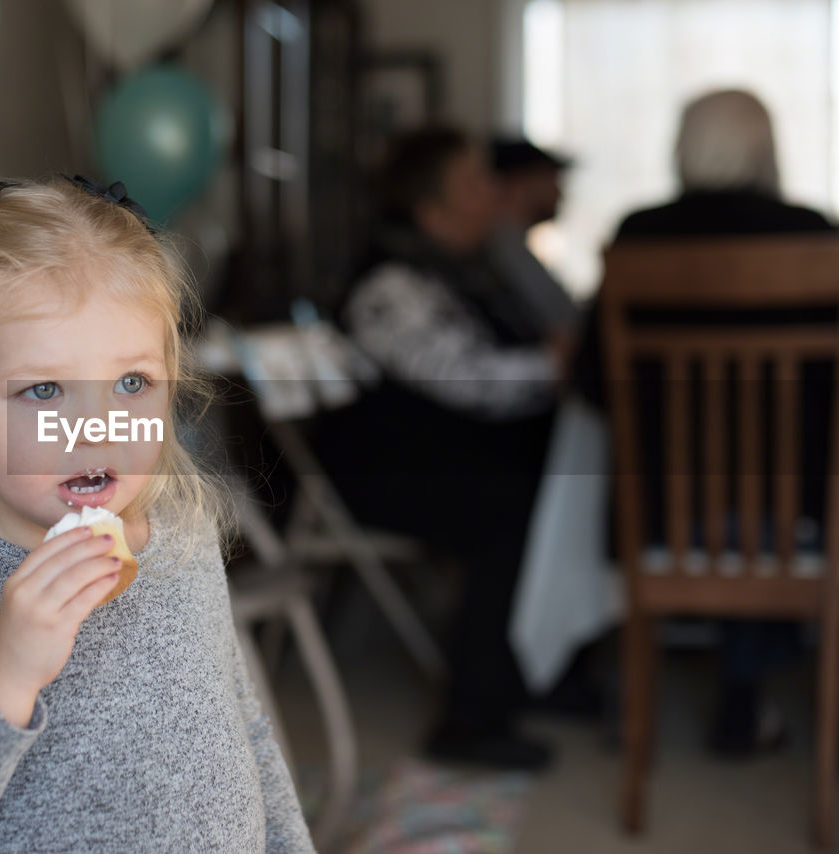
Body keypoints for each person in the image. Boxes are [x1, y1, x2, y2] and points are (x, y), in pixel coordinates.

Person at [0, 174, 315, 851]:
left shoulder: (182, 537)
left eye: (131, 383)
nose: (97, 429)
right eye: (44, 390)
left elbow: (246, 728)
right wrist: (8, 673)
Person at [575, 88, 836, 758]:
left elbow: (590, 383)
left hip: (661, 509)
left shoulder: (637, 235)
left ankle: (629, 692)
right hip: (797, 515)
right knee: (762, 493)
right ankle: (744, 698)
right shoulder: (816, 236)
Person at [315, 127, 566, 770]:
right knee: (514, 504)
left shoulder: (468, 268)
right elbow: (473, 381)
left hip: (439, 454)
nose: (496, 194)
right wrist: (554, 368)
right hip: (382, 473)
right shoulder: (393, 285)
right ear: (432, 211)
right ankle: (470, 718)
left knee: (558, 481)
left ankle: (546, 672)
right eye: (478, 183)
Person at [486, 136, 579, 338]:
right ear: (519, 183)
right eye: (551, 178)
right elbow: (562, 322)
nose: (560, 193)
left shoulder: (508, 244)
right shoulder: (502, 248)